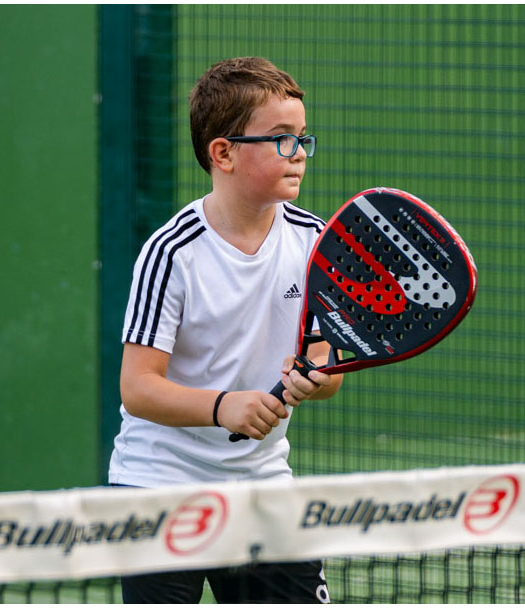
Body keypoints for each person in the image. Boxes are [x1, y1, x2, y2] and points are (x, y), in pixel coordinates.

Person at [108, 57, 342, 604]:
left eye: (302, 137)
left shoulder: (316, 243)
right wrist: (223, 407)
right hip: (160, 487)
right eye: (281, 138)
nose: (299, 151)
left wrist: (315, 376)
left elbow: (326, 367)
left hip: (263, 486)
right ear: (223, 153)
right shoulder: (172, 253)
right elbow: (138, 388)